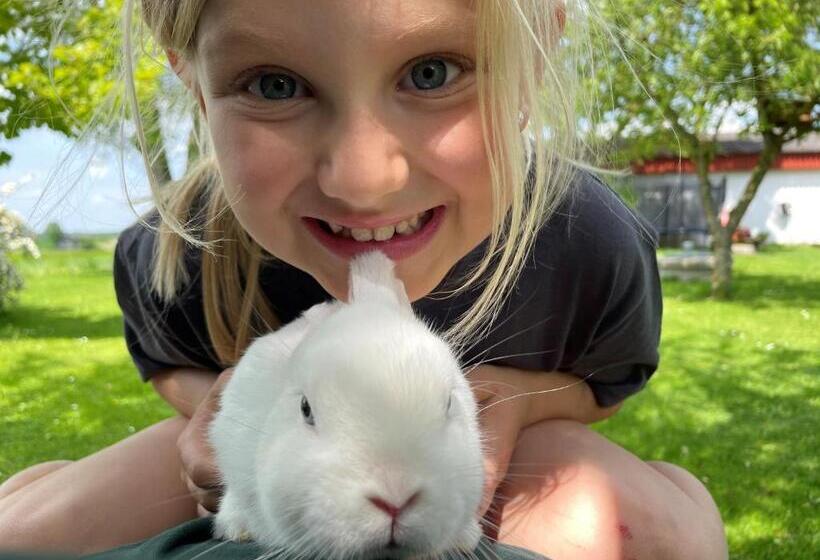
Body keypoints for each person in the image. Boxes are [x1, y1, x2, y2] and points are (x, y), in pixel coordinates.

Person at [0, 0, 728, 558]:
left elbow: (603, 384)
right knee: (25, 532)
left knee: (652, 531)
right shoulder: (178, 247)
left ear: (533, 62)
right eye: (275, 83)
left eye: (432, 72)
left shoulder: (589, 243)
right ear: (192, 78)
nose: (362, 180)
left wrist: (511, 405)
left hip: (481, 442)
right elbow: (173, 366)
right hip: (273, 448)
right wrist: (236, 420)